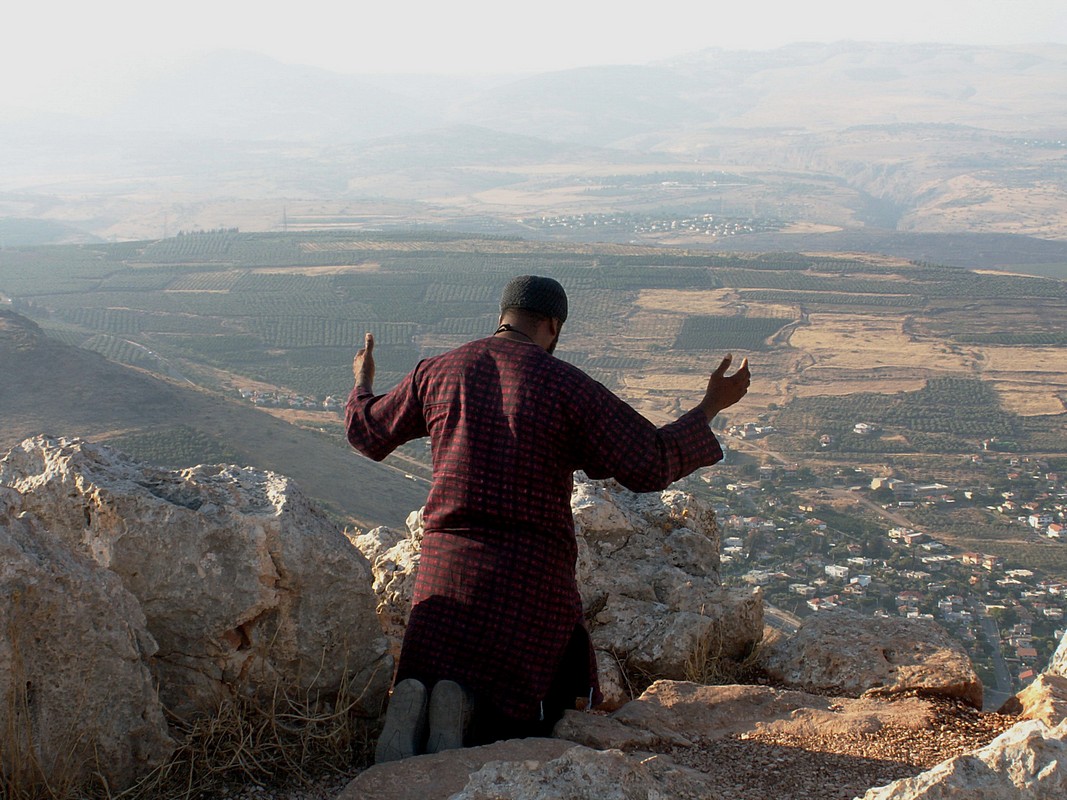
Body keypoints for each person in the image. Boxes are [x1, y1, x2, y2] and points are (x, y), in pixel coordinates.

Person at [345, 275, 750, 763]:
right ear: (553, 327)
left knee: (437, 669)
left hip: (445, 570)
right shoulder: (565, 384)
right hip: (528, 578)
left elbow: (368, 434)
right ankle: (469, 712)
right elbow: (649, 462)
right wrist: (710, 406)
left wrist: (362, 383)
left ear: (501, 317)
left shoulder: (437, 371)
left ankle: (419, 696)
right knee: (530, 711)